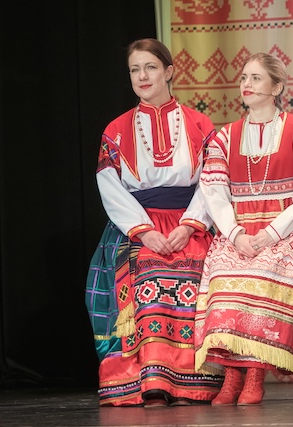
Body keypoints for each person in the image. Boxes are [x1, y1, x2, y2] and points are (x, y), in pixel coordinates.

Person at [85, 38, 223, 407]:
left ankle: (193, 381)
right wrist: (144, 231)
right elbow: (109, 186)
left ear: (169, 71)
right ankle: (149, 380)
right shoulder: (116, 129)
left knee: (194, 274)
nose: (142, 76)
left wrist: (190, 225)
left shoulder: (199, 123)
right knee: (146, 273)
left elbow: (212, 181)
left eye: (150, 67)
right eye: (135, 70)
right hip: (137, 225)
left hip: (189, 222)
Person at [194, 52, 293, 406]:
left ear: (277, 87)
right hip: (239, 230)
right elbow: (213, 190)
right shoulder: (226, 136)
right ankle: (232, 376)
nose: (246, 84)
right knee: (225, 281)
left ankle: (254, 373)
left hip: (287, 231)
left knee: (263, 277)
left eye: (255, 78)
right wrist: (235, 234)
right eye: (244, 78)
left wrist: (273, 233)